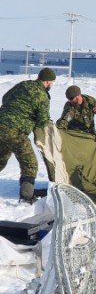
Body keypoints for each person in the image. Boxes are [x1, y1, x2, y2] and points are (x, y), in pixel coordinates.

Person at [0, 68, 56, 202]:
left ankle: (27, 191)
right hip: (15, 131)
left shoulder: (23, 84)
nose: (52, 85)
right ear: (48, 82)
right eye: (52, 82)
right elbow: (42, 120)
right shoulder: (42, 96)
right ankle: (27, 196)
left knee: (1, 158)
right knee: (30, 163)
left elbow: (5, 98)